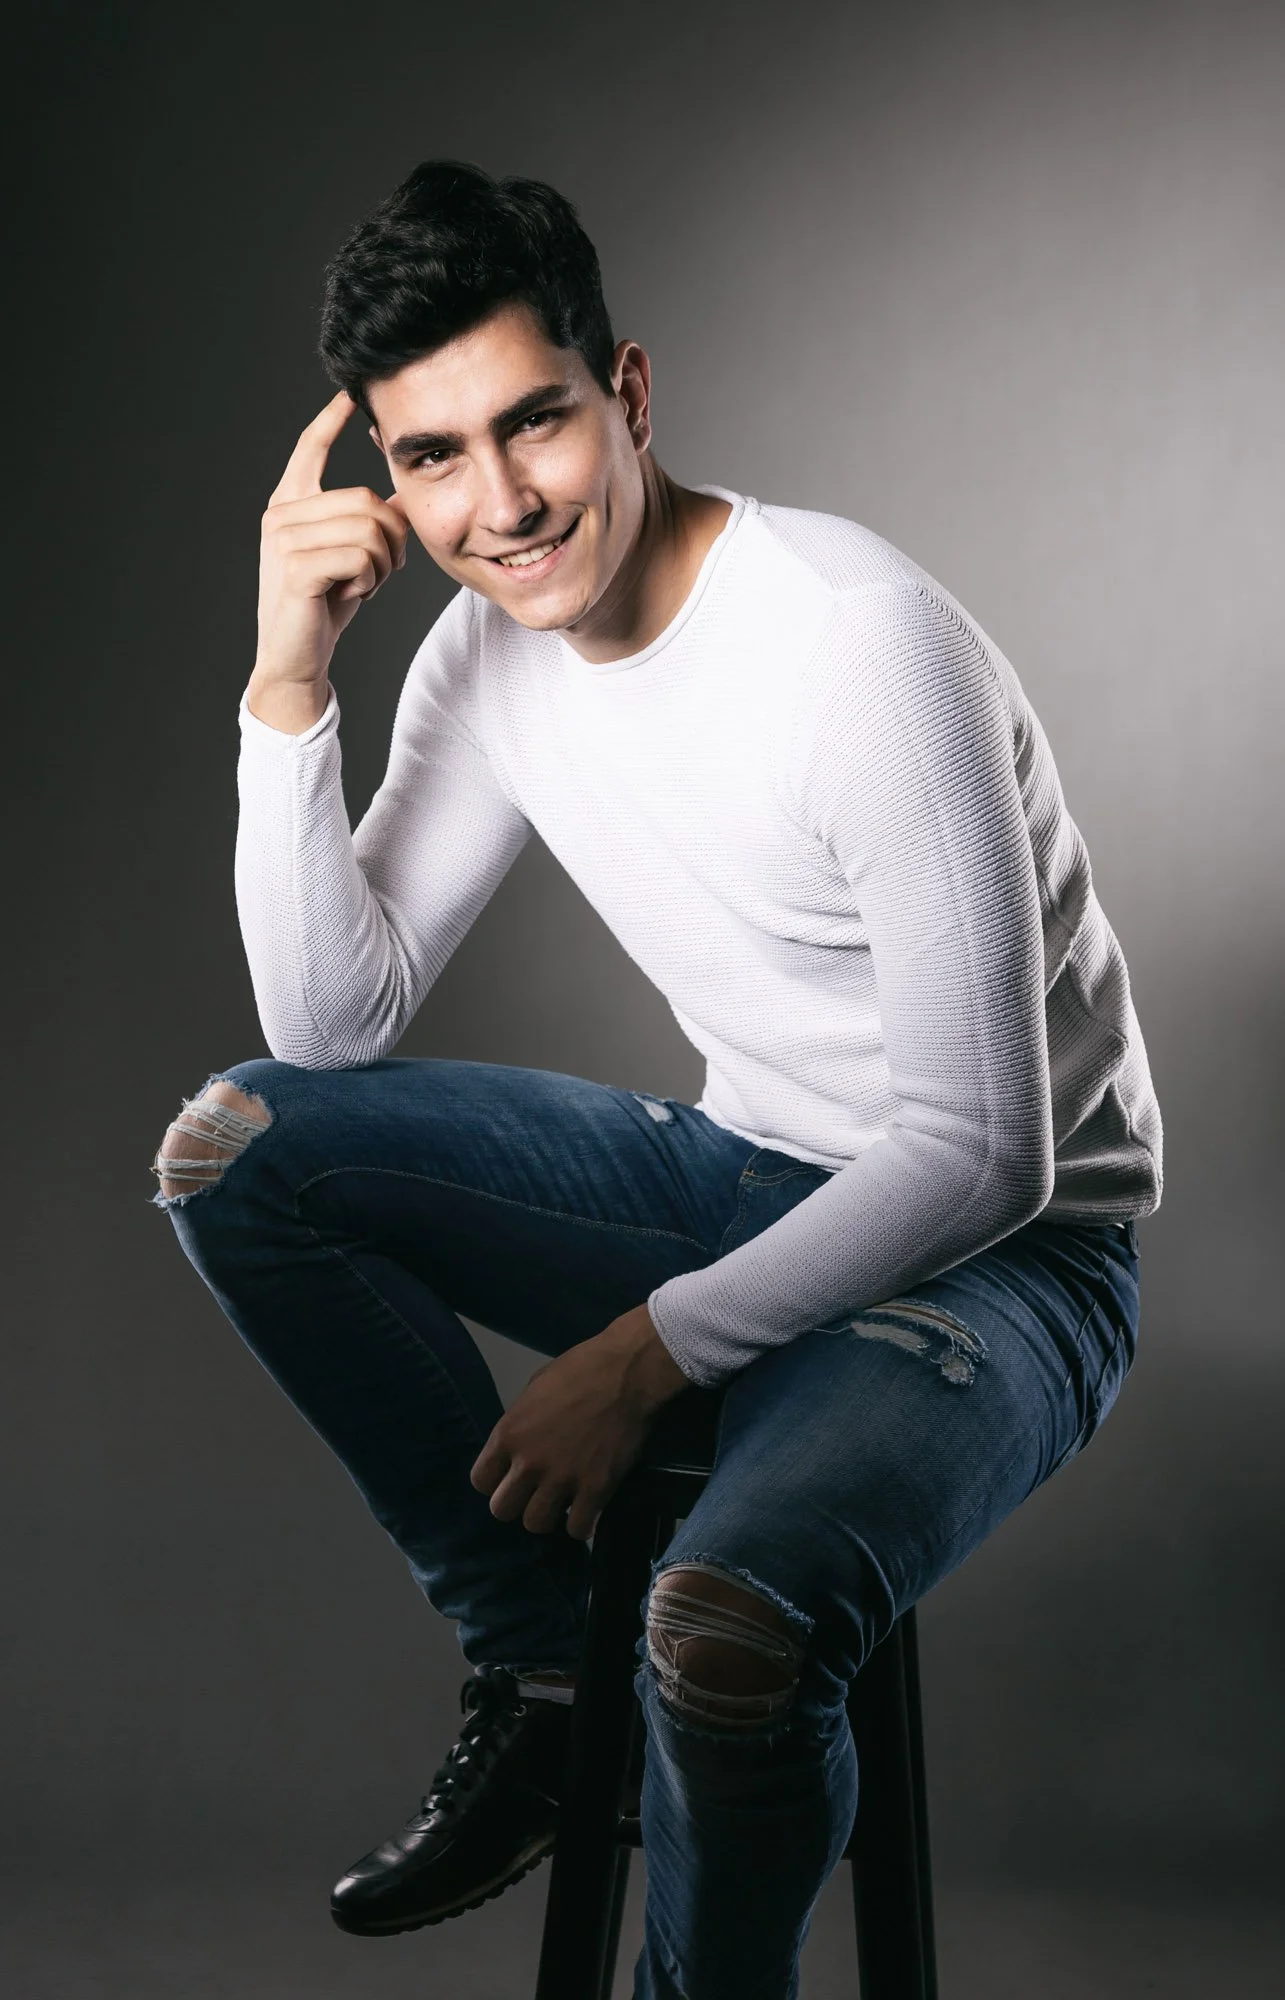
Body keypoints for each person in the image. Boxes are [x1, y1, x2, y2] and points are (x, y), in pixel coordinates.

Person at [149, 158, 1162, 1999]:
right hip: (750, 1167)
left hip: (1011, 1262)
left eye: (531, 423)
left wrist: (643, 1357)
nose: (499, 503)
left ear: (625, 391)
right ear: (387, 469)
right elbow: (327, 1031)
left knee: (722, 1636)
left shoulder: (859, 647)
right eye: (434, 455)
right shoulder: (486, 652)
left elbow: (989, 1148)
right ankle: (544, 1673)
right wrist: (289, 677)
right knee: (243, 1153)